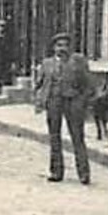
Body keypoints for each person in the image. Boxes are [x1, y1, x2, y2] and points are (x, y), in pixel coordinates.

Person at [34, 32, 93, 185]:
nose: (62, 49)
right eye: (59, 45)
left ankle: (84, 174)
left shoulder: (77, 62)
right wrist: (40, 101)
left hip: (72, 102)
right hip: (53, 102)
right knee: (54, 137)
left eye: (66, 45)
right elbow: (39, 84)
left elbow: (88, 85)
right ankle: (56, 171)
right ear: (54, 48)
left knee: (77, 137)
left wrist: (81, 101)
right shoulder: (47, 64)